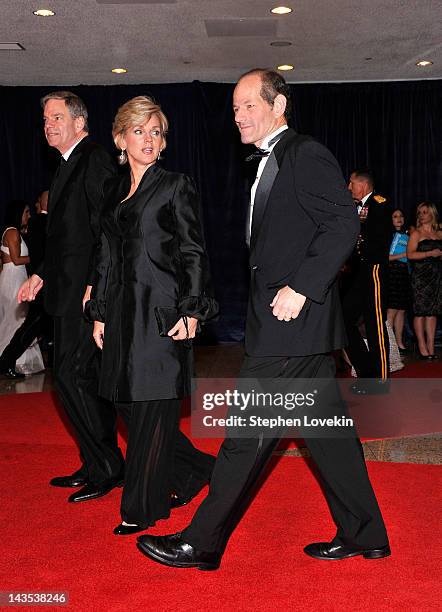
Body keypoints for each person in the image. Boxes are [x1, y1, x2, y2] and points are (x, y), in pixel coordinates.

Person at [136, 69, 390, 569]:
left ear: (279, 106)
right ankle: (366, 533)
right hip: (291, 326)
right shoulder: (270, 161)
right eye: (234, 109)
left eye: (248, 105)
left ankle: (201, 543)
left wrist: (302, 286)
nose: (238, 116)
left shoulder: (303, 152)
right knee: (329, 436)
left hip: (291, 321)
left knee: (245, 433)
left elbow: (342, 222)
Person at [87, 95, 217, 534]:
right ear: (120, 139)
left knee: (152, 407)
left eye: (156, 131)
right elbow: (104, 253)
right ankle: (197, 468)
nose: (148, 139)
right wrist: (98, 311)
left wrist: (193, 309)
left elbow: (194, 251)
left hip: (161, 313)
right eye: (139, 131)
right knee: (126, 402)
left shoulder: (175, 185)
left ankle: (141, 508)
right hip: (121, 314)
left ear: (163, 143)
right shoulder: (112, 190)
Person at [18, 91, 124, 502]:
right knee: (72, 380)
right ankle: (97, 462)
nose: (49, 126)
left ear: (79, 123)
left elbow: (107, 227)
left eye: (57, 118)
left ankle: (109, 466)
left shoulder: (94, 158)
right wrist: (41, 274)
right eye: (45, 120)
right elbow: (66, 237)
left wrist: (96, 284)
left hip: (84, 294)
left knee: (74, 377)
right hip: (63, 291)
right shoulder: (64, 165)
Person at [342, 169, 391, 394]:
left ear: (363, 184)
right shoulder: (354, 207)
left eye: (351, 183)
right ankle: (365, 372)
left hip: (373, 270)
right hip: (357, 273)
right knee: (344, 320)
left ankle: (380, 381)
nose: (349, 187)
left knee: (374, 324)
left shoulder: (379, 204)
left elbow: (375, 238)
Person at [0, 191, 52, 376]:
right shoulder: (12, 231)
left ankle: (11, 362)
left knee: (19, 321)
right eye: (26, 212)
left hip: (19, 277)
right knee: (15, 321)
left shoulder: (20, 231)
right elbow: (14, 259)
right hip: (13, 279)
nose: (28, 215)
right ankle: (7, 361)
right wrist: (43, 263)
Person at [407, 202, 442, 359]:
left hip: (436, 277)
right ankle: (422, 347)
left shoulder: (440, 233)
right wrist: (429, 254)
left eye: (425, 212)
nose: (421, 215)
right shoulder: (416, 233)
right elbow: (410, 255)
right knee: (420, 312)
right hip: (421, 277)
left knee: (432, 312)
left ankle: (430, 346)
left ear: (432, 214)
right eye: (419, 212)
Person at [387, 208, 411, 353]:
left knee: (401, 310)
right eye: (395, 216)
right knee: (392, 310)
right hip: (392, 272)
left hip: (403, 272)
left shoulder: (408, 235)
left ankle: (399, 342)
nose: (399, 218)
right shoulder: (390, 235)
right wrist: (405, 254)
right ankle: (388, 343)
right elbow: (386, 257)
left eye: (401, 215)